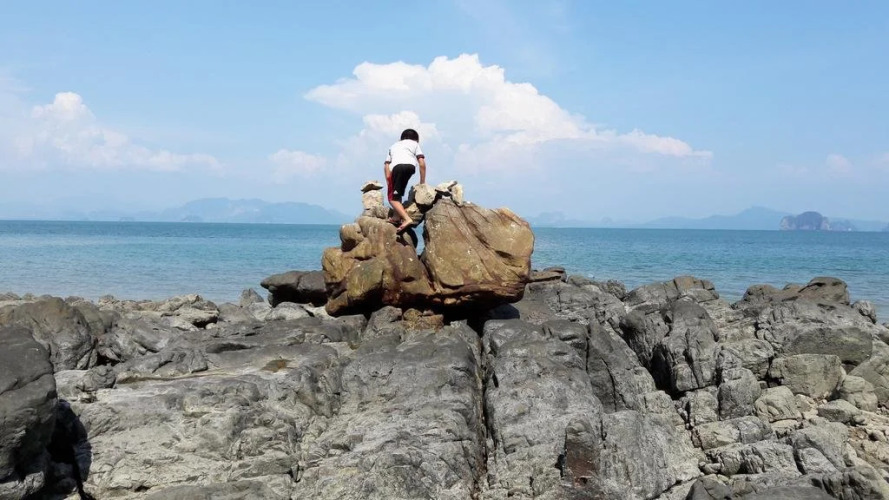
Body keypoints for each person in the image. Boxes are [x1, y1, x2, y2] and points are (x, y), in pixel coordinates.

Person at [384, 128, 426, 233]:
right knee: (398, 193)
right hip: (411, 168)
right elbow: (421, 163)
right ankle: (396, 217)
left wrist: (388, 180)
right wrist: (422, 182)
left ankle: (407, 219)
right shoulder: (415, 144)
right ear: (416, 138)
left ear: (401, 138)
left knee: (392, 198)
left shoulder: (393, 146)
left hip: (397, 168)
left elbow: (386, 165)